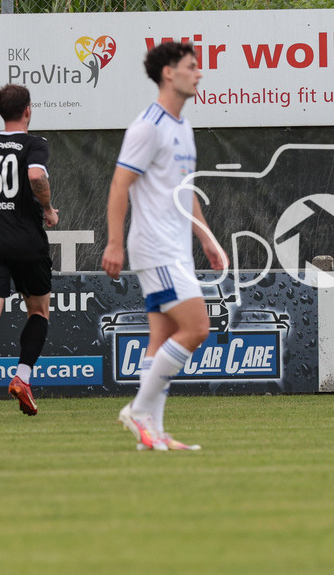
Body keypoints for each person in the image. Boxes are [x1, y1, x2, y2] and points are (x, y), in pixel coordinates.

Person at [102, 41, 227, 451]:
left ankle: (151, 434)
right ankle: (139, 411)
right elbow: (120, 184)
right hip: (154, 248)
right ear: (169, 73)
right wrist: (115, 244)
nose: (200, 73)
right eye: (193, 67)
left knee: (162, 339)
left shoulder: (183, 127)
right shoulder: (148, 125)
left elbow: (184, 190)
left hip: (175, 248)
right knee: (197, 328)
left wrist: (205, 236)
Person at [0, 84, 59, 420]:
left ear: (0, 112)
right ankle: (22, 377)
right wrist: (47, 208)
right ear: (28, 111)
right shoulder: (35, 144)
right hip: (27, 243)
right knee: (38, 312)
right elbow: (36, 174)